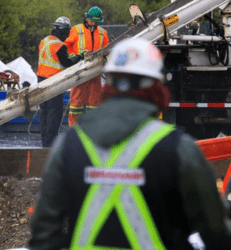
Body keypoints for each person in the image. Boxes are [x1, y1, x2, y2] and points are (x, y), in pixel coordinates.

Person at [28, 38, 231, 249]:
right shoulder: (180, 149)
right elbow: (216, 234)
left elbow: (43, 237)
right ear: (157, 87)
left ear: (109, 85)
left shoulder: (68, 146)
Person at [37, 16, 83, 147]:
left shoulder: (44, 41)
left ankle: (45, 141)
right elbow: (67, 62)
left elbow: (51, 59)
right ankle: (50, 143)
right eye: (67, 32)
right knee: (54, 114)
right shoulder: (59, 45)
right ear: (63, 31)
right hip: (54, 82)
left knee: (44, 112)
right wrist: (79, 57)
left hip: (41, 80)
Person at [65, 6, 110, 127]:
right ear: (87, 18)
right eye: (92, 20)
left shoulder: (102, 33)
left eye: (96, 21)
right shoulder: (77, 30)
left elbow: (107, 50)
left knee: (94, 104)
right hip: (79, 72)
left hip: (95, 73)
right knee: (76, 105)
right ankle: (74, 131)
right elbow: (66, 46)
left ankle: (93, 131)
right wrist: (75, 56)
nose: (94, 23)